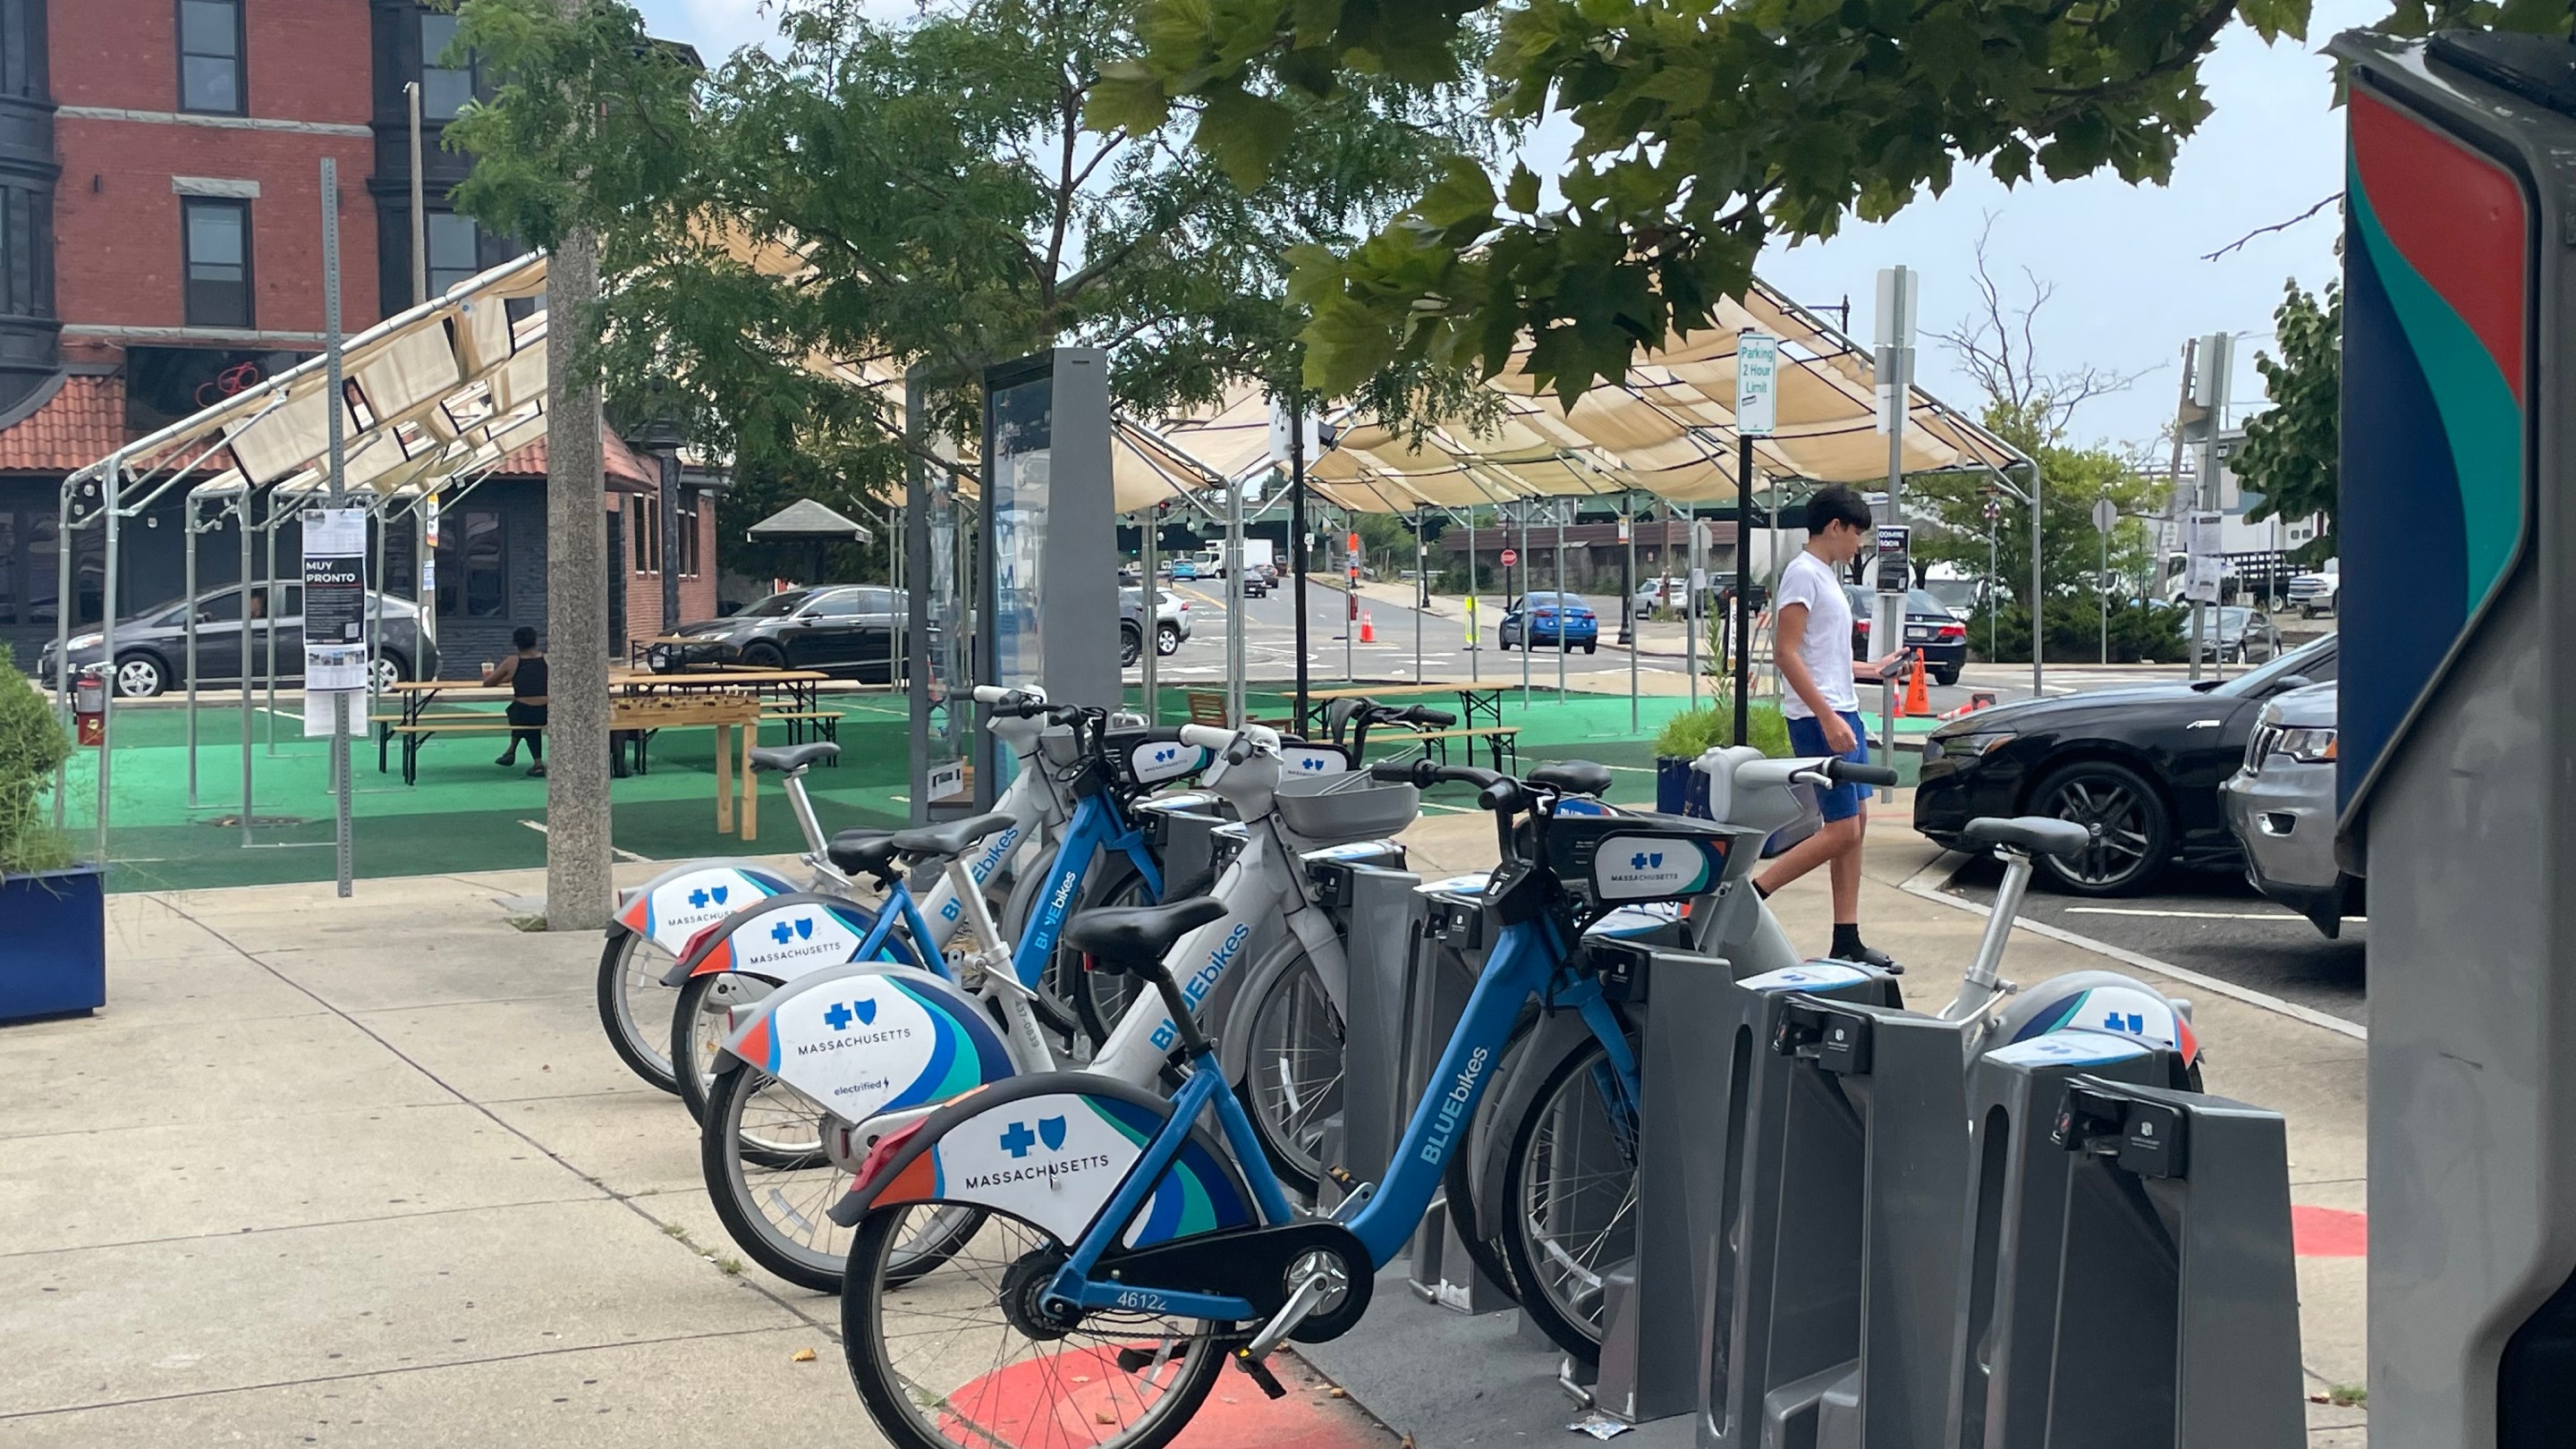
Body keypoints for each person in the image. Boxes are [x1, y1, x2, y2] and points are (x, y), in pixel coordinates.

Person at [1754, 486, 1903, 968]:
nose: (1860, 545)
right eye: (1857, 534)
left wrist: (1873, 667)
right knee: (1841, 831)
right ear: (1834, 527)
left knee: (1856, 824)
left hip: (1845, 711)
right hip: (1823, 719)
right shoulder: (1802, 576)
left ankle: (1847, 936)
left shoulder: (1825, 576)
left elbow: (1824, 657)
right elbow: (1786, 652)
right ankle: (1753, 893)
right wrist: (1826, 716)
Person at [483, 627, 548, 778]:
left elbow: (488, 683)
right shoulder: (547, 659)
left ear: (515, 643)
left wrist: (507, 678)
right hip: (547, 710)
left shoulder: (512, 661)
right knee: (522, 715)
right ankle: (511, 751)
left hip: (523, 712)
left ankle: (535, 762)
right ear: (535, 641)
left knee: (519, 713)